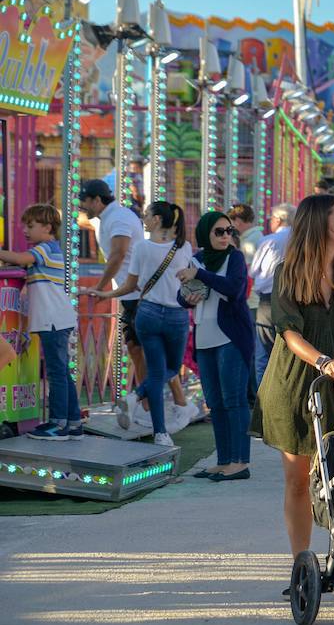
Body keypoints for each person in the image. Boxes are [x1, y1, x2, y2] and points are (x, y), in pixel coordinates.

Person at [251, 194, 334, 563]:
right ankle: (301, 564)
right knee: (297, 481)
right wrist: (321, 360)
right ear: (319, 224)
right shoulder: (288, 272)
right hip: (295, 381)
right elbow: (288, 332)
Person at [87, 201, 195, 446]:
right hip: (176, 315)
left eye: (147, 215)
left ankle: (159, 431)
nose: (143, 219)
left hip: (147, 313)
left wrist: (104, 294)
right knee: (170, 367)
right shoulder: (184, 247)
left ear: (157, 220)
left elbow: (129, 285)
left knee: (156, 372)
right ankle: (137, 398)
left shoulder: (142, 248)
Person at [177, 211, 254, 481]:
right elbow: (182, 296)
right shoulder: (196, 259)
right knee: (215, 403)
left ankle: (240, 462)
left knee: (234, 400)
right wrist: (188, 297)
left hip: (231, 336)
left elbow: (235, 289)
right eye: (219, 232)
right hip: (205, 337)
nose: (225, 237)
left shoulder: (234, 258)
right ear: (205, 234)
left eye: (229, 231)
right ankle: (223, 461)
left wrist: (199, 274)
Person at [1, 205, 82, 440]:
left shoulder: (45, 249)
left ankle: (58, 424)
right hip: (56, 319)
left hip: (53, 320)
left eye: (31, 226)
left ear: (47, 227)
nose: (25, 230)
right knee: (62, 372)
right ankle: (74, 422)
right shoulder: (46, 250)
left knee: (56, 373)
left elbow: (19, 258)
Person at [78, 179, 147, 399]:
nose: (83, 208)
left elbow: (118, 254)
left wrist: (99, 288)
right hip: (130, 295)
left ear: (97, 200)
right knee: (136, 349)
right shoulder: (107, 217)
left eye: (85, 203)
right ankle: (147, 402)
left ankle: (170, 402)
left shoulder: (118, 218)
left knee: (147, 351)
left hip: (139, 296)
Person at [249, 204, 294, 383]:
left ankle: (264, 403)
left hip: (268, 299)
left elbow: (253, 271)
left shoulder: (269, 241)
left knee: (263, 354)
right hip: (293, 298)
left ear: (278, 219)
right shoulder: (300, 239)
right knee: (289, 352)